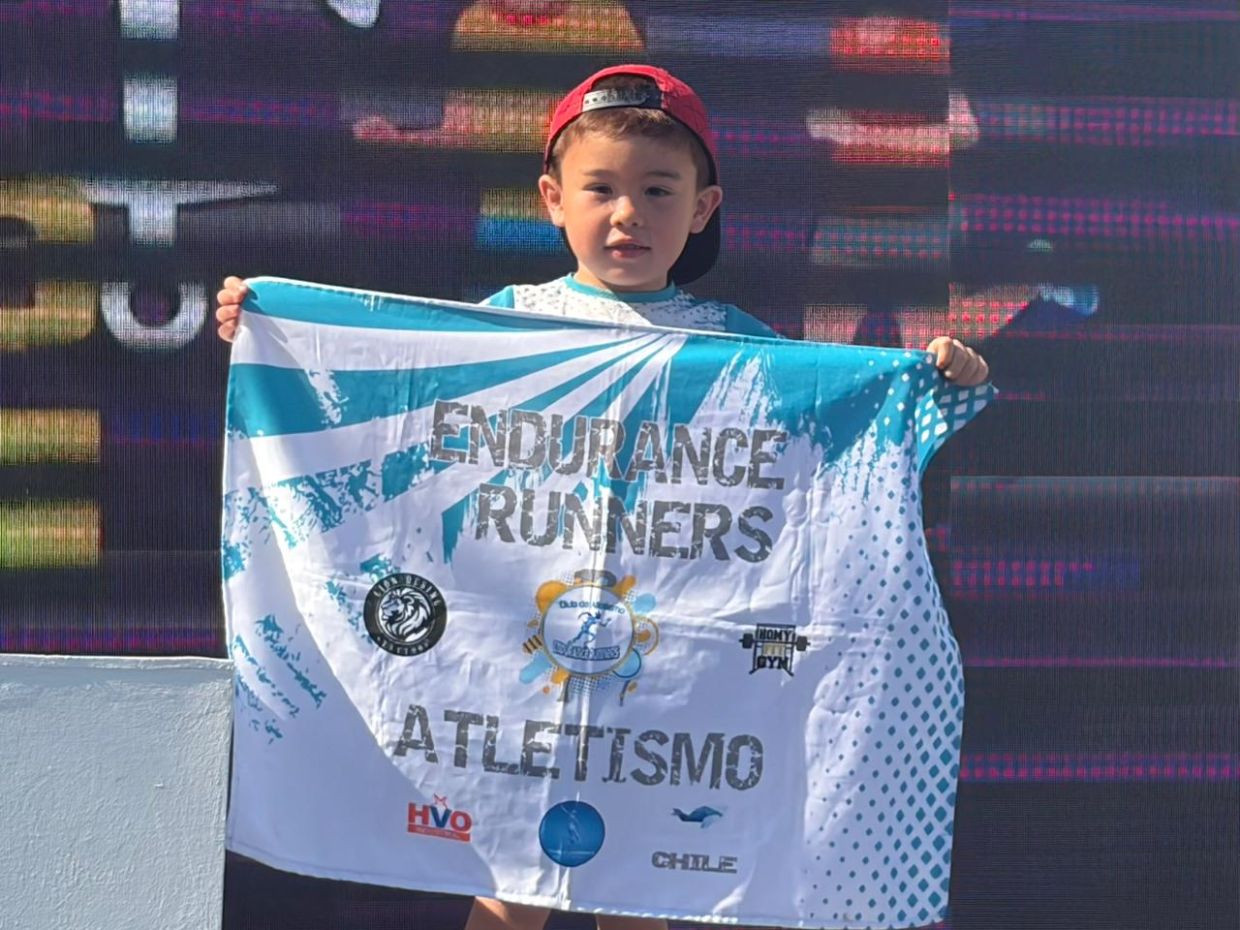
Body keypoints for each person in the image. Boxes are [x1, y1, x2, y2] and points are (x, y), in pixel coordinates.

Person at [215, 64, 990, 930]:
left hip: (669, 691)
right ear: (552, 199)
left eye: (658, 191)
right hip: (516, 684)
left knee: (647, 888)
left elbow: (835, 431)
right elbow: (397, 389)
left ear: (702, 208)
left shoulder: (742, 350)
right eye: (602, 189)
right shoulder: (504, 326)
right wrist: (272, 330)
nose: (629, 214)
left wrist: (938, 378)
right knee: (510, 884)